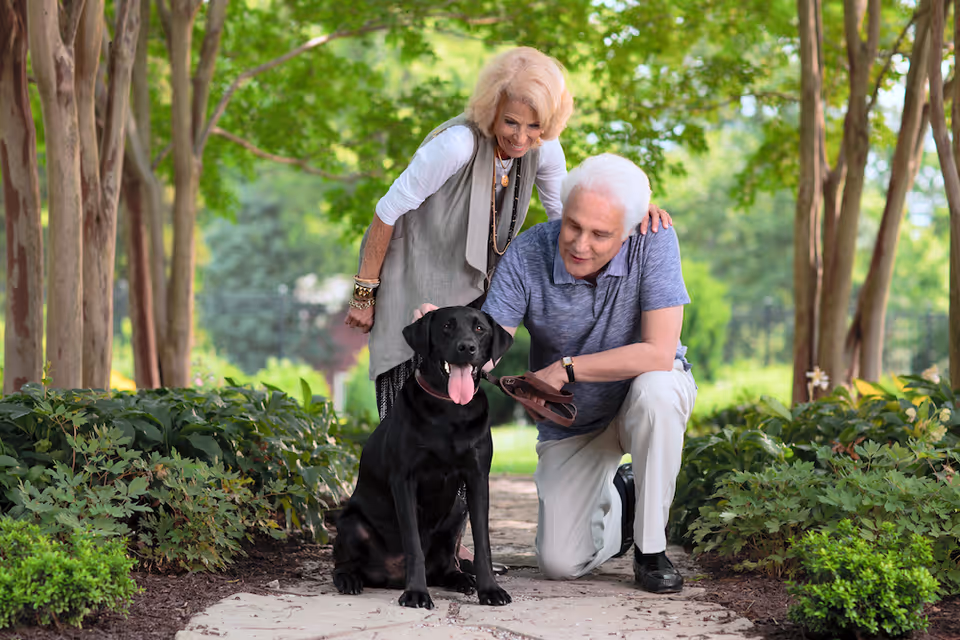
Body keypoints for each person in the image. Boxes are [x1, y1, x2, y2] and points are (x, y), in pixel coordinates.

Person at [343, 46, 671, 421]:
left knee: (457, 421)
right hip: (413, 285)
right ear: (491, 109)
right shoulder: (457, 145)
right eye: (511, 122)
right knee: (405, 423)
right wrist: (363, 293)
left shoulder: (544, 149)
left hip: (473, 303)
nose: (521, 137)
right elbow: (386, 212)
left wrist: (626, 206)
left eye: (534, 126)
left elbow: (565, 217)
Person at [478, 153, 698, 594]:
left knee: (660, 388)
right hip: (574, 421)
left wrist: (567, 368)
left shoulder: (654, 240)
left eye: (601, 234)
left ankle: (651, 549)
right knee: (560, 563)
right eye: (573, 225)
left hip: (640, 400)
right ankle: (624, 499)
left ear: (632, 228)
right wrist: (451, 335)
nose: (580, 243)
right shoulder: (528, 252)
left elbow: (659, 351)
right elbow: (491, 342)